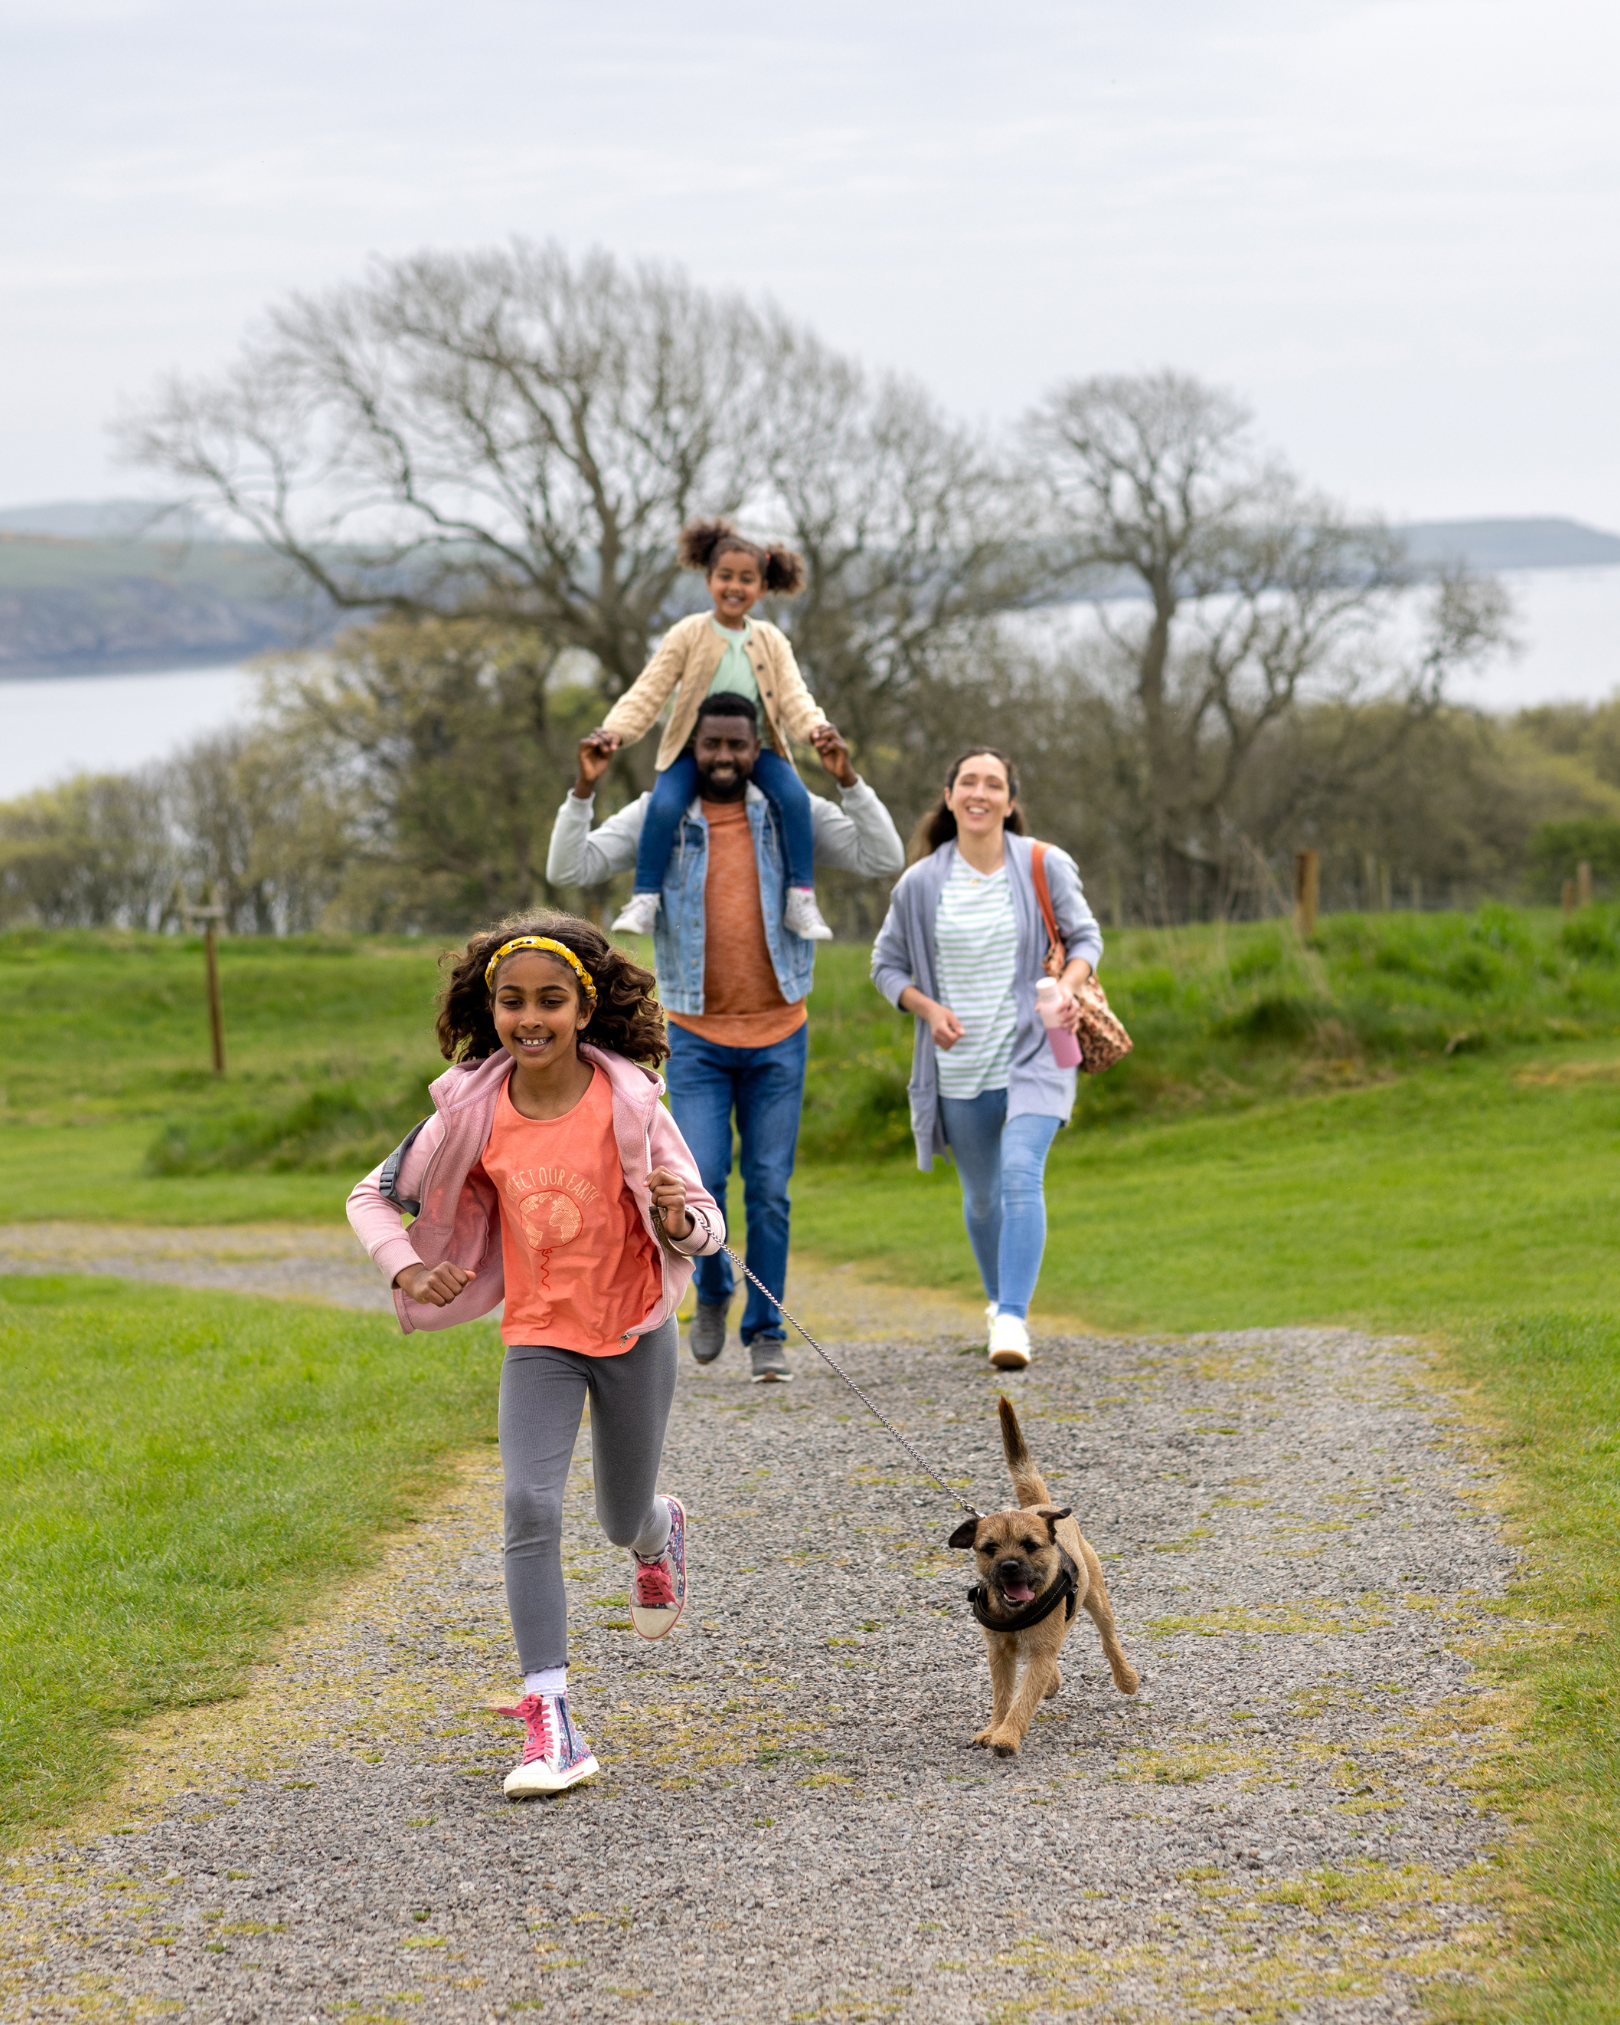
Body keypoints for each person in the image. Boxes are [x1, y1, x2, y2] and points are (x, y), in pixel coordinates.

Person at [347, 916, 724, 1799]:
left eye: (549, 1001)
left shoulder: (632, 1100)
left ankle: (659, 1532)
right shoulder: (470, 1107)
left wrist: (676, 1219)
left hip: (634, 1331)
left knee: (618, 1514)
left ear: (582, 1009)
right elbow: (371, 1196)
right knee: (526, 1501)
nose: (529, 1018)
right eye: (511, 1001)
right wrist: (408, 1266)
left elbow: (705, 1223)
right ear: (491, 1008)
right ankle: (549, 1716)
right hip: (541, 1338)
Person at [547, 692, 905, 1381]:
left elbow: (880, 853)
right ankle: (712, 1292)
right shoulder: (663, 817)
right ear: (691, 746)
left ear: (756, 748)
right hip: (697, 1039)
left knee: (770, 1187)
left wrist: (848, 779)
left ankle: (766, 1328)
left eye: (738, 745)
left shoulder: (786, 813)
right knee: (702, 1177)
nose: (723, 757)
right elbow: (571, 868)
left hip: (779, 1034)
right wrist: (583, 788)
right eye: (711, 745)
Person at [870, 748, 1102, 1373]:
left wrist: (1072, 987)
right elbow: (885, 966)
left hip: (1037, 1053)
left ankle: (1013, 1319)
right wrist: (927, 1008)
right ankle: (998, 1301)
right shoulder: (919, 883)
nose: (980, 792)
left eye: (993, 784)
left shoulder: (1042, 864)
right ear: (949, 797)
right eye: (968, 782)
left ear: (1010, 800)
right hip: (960, 1068)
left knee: (1022, 1171)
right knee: (981, 1200)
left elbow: (1086, 938)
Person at [588, 518, 842, 944]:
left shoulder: (772, 640)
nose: (734, 587)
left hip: (756, 750)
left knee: (795, 799)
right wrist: (615, 731)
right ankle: (645, 896)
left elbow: (794, 695)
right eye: (725, 576)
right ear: (708, 580)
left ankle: (800, 896)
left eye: (746, 579)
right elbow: (650, 690)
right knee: (665, 805)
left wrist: (815, 729)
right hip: (693, 749)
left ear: (762, 588)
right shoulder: (688, 633)